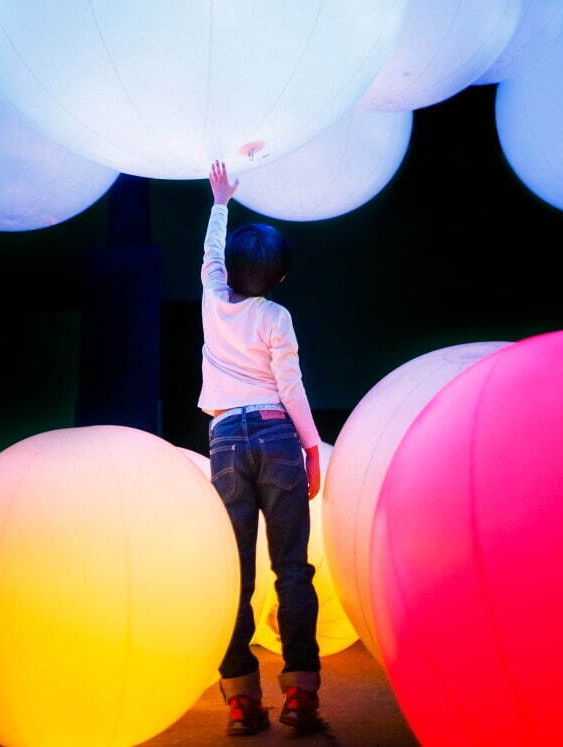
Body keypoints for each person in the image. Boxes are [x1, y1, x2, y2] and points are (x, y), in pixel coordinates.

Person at [201, 159, 324, 738]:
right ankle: (300, 695)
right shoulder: (276, 315)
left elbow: (209, 258)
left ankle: (240, 701)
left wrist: (220, 201)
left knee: (232, 575)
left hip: (226, 438)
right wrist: (311, 448)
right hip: (277, 435)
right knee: (292, 571)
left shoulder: (212, 301)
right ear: (279, 278)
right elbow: (291, 386)